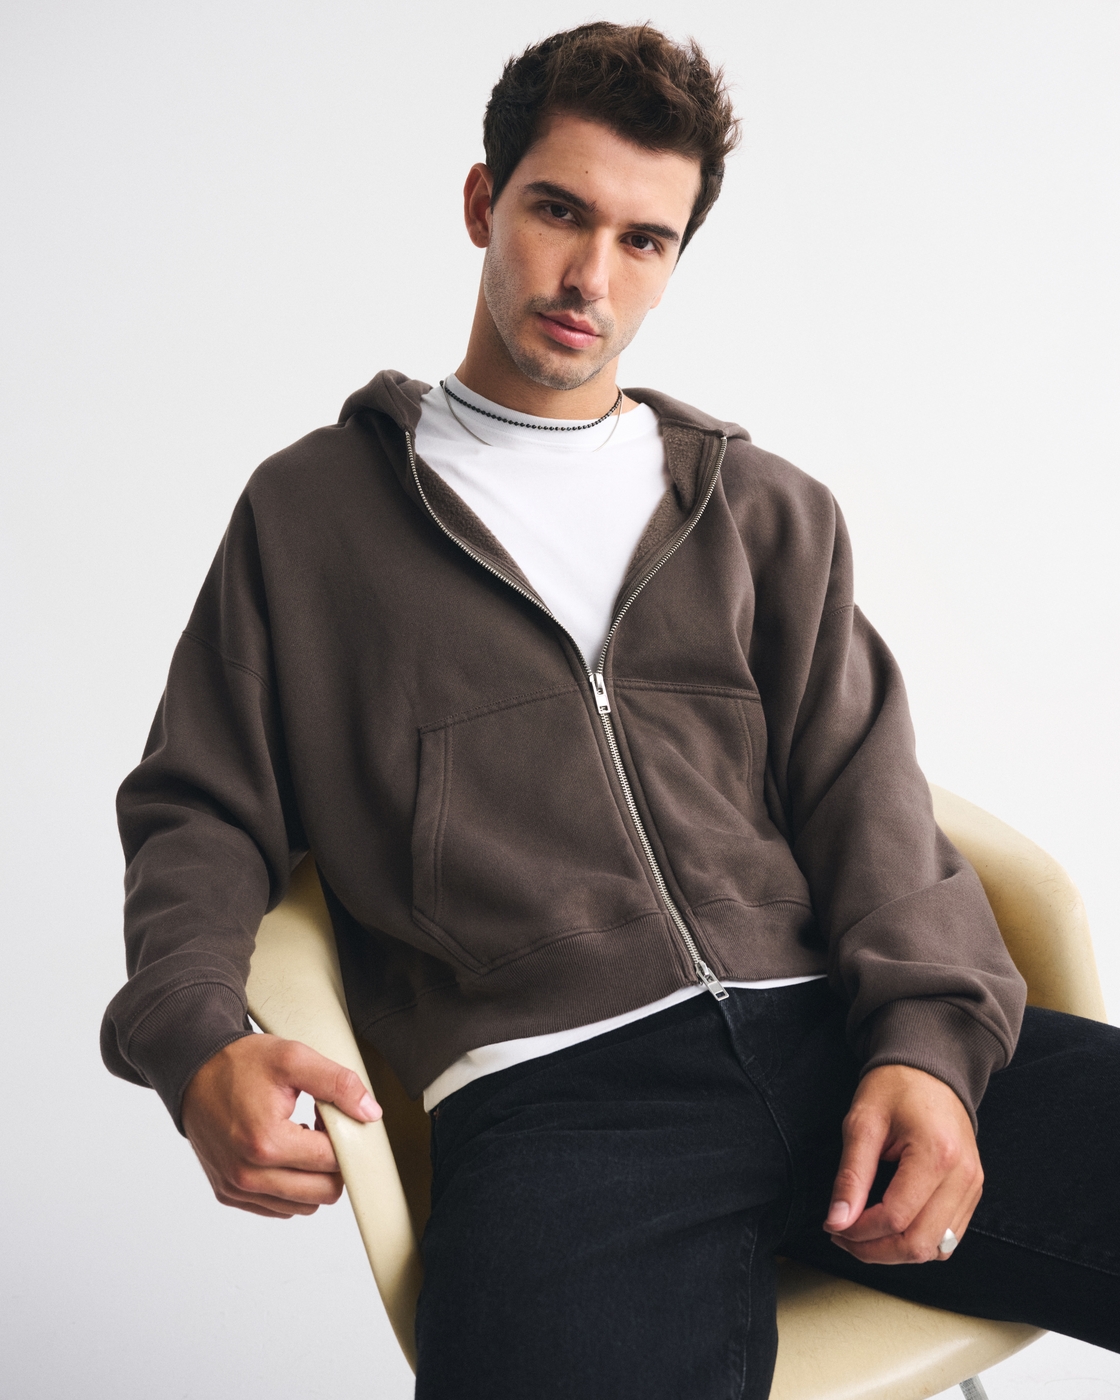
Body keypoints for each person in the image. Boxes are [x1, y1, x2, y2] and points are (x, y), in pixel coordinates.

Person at [101, 21, 1119, 1399]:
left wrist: (931, 1054)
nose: (592, 276)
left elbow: (868, 805)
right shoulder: (310, 516)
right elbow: (198, 810)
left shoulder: (762, 509)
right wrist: (196, 1043)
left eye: (645, 240)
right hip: (559, 1106)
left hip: (836, 1036)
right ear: (484, 202)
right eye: (559, 212)